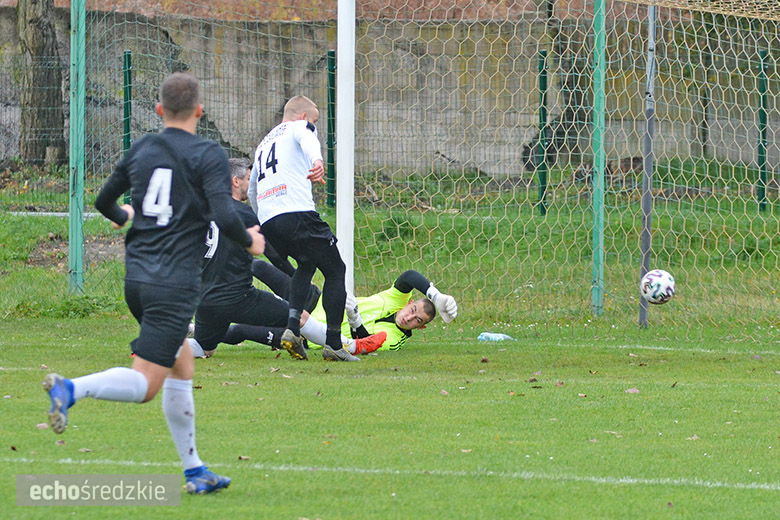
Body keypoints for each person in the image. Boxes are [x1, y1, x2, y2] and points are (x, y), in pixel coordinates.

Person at [42, 72, 265, 495]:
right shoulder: (208, 153)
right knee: (146, 384)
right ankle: (72, 388)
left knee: (182, 363)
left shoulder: (142, 148)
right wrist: (251, 240)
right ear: (200, 111)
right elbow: (222, 211)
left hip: (137, 279)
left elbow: (104, 201)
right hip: (174, 284)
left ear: (160, 111)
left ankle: (195, 471)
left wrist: (129, 218)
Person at [188, 158, 386, 359]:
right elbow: (271, 253)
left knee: (205, 349)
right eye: (248, 179)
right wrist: (296, 275)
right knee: (298, 315)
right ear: (235, 181)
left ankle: (160, 345)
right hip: (239, 297)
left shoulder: (203, 213)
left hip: (205, 298)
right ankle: (351, 346)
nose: (251, 185)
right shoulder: (244, 214)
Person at [248, 95, 357, 361]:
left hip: (270, 219)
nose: (314, 125)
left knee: (307, 265)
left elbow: (252, 189)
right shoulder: (301, 127)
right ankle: (333, 343)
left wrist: (261, 217)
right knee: (336, 270)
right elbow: (309, 139)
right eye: (315, 121)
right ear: (304, 116)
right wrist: (317, 161)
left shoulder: (264, 144)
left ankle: (292, 329)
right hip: (297, 212)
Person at [227, 265, 457, 352]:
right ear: (409, 303)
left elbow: (365, 345)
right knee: (259, 267)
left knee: (241, 330)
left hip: (308, 335)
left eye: (418, 320)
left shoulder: (395, 338)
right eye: (413, 310)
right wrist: (435, 295)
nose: (410, 317)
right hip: (313, 301)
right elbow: (408, 276)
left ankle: (198, 333)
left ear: (422, 328)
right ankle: (215, 276)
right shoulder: (396, 298)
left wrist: (355, 319)